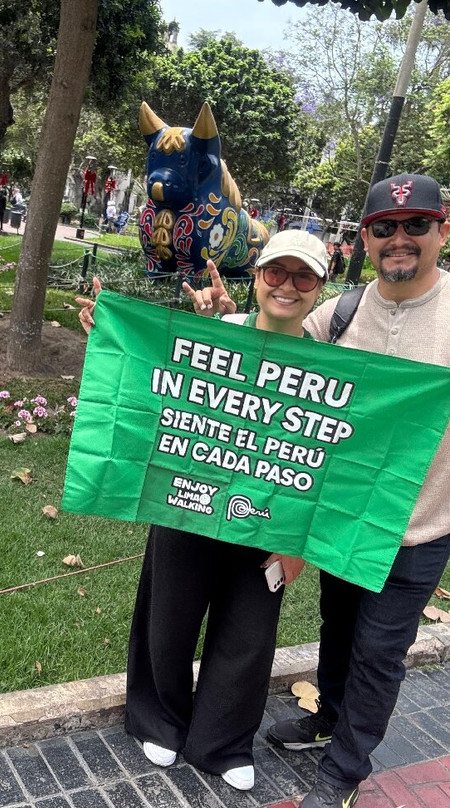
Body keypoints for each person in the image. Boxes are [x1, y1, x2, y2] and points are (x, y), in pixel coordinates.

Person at [264, 174, 450, 808]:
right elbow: (274, 359)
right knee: (339, 631)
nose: (399, 239)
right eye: (384, 229)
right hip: (347, 516)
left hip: (423, 524)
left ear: (441, 232)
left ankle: (344, 770)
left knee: (379, 651)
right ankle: (328, 721)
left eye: (415, 225)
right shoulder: (344, 310)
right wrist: (199, 328)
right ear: (366, 240)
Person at [76, 230, 330, 792]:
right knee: (168, 616)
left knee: (249, 632)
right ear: (257, 276)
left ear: (319, 288)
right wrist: (111, 336)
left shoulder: (330, 366)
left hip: (269, 519)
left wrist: (298, 541)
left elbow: (331, 461)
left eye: (303, 276)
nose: (287, 285)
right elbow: (151, 379)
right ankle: (157, 719)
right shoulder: (214, 334)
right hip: (186, 501)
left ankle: (223, 741)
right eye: (276, 272)